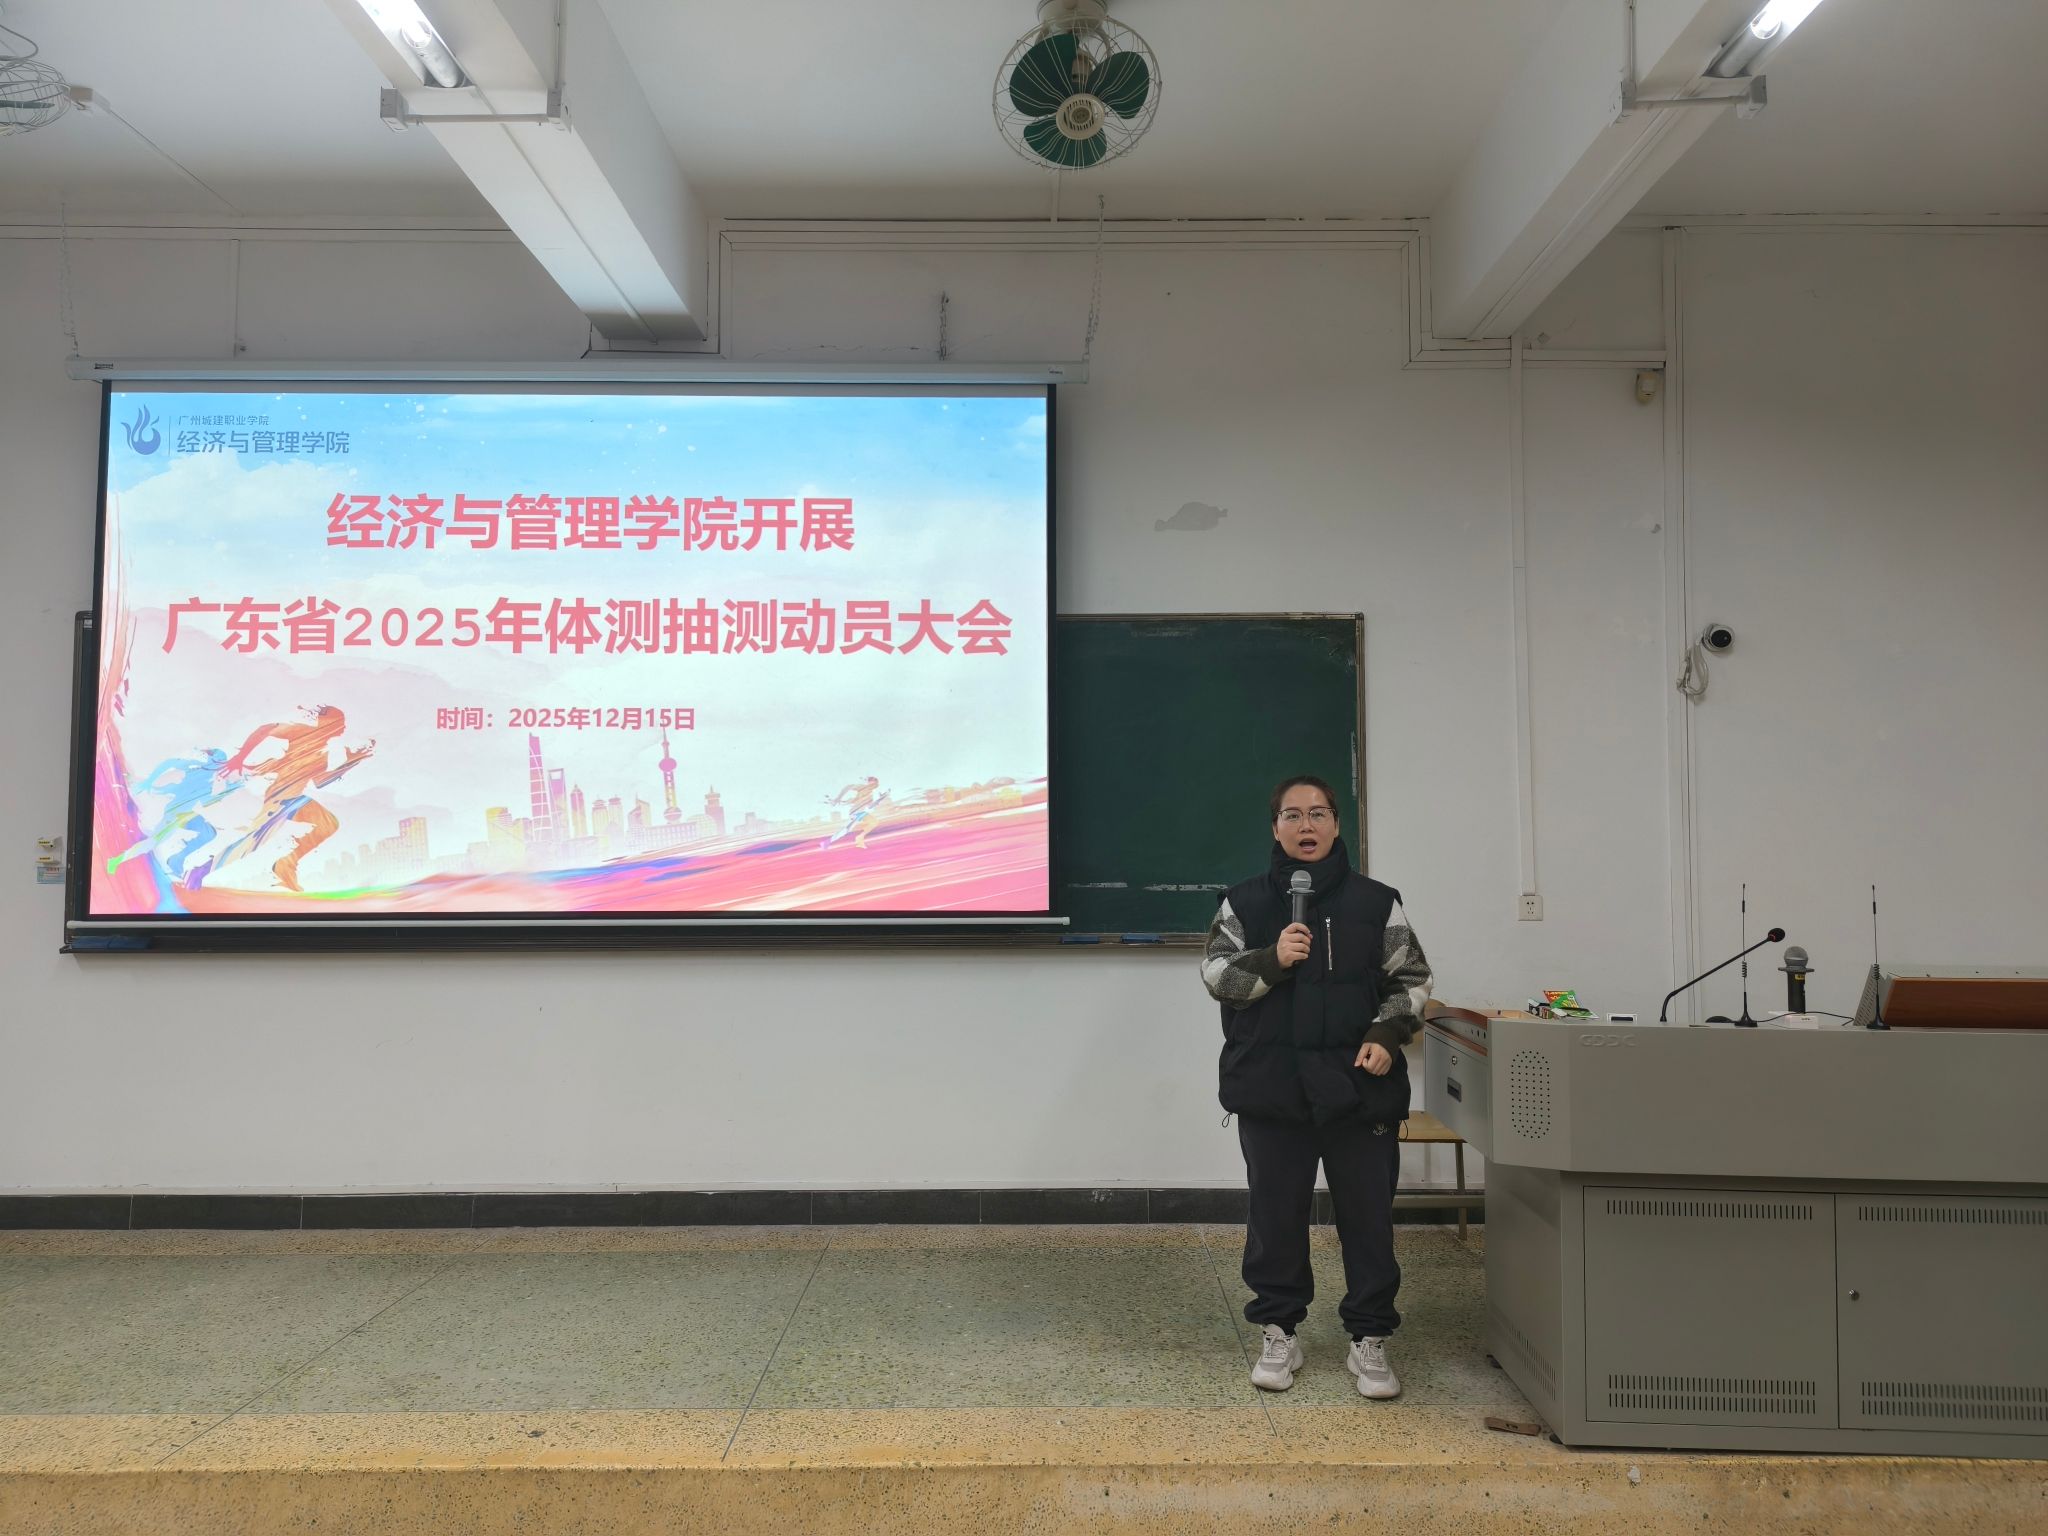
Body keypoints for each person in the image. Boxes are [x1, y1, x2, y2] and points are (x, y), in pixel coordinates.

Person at [1200, 775, 1433, 1400]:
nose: (1307, 826)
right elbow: (1217, 977)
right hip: (1272, 1090)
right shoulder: (1243, 903)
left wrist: (1387, 1034)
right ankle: (1279, 1329)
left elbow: (1411, 979)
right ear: (1275, 827)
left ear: (1335, 824)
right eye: (1293, 815)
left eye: (1319, 814)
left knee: (1368, 1220)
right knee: (1275, 1219)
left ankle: (1369, 1336)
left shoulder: (1377, 903)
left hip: (1359, 1089)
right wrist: (1273, 959)